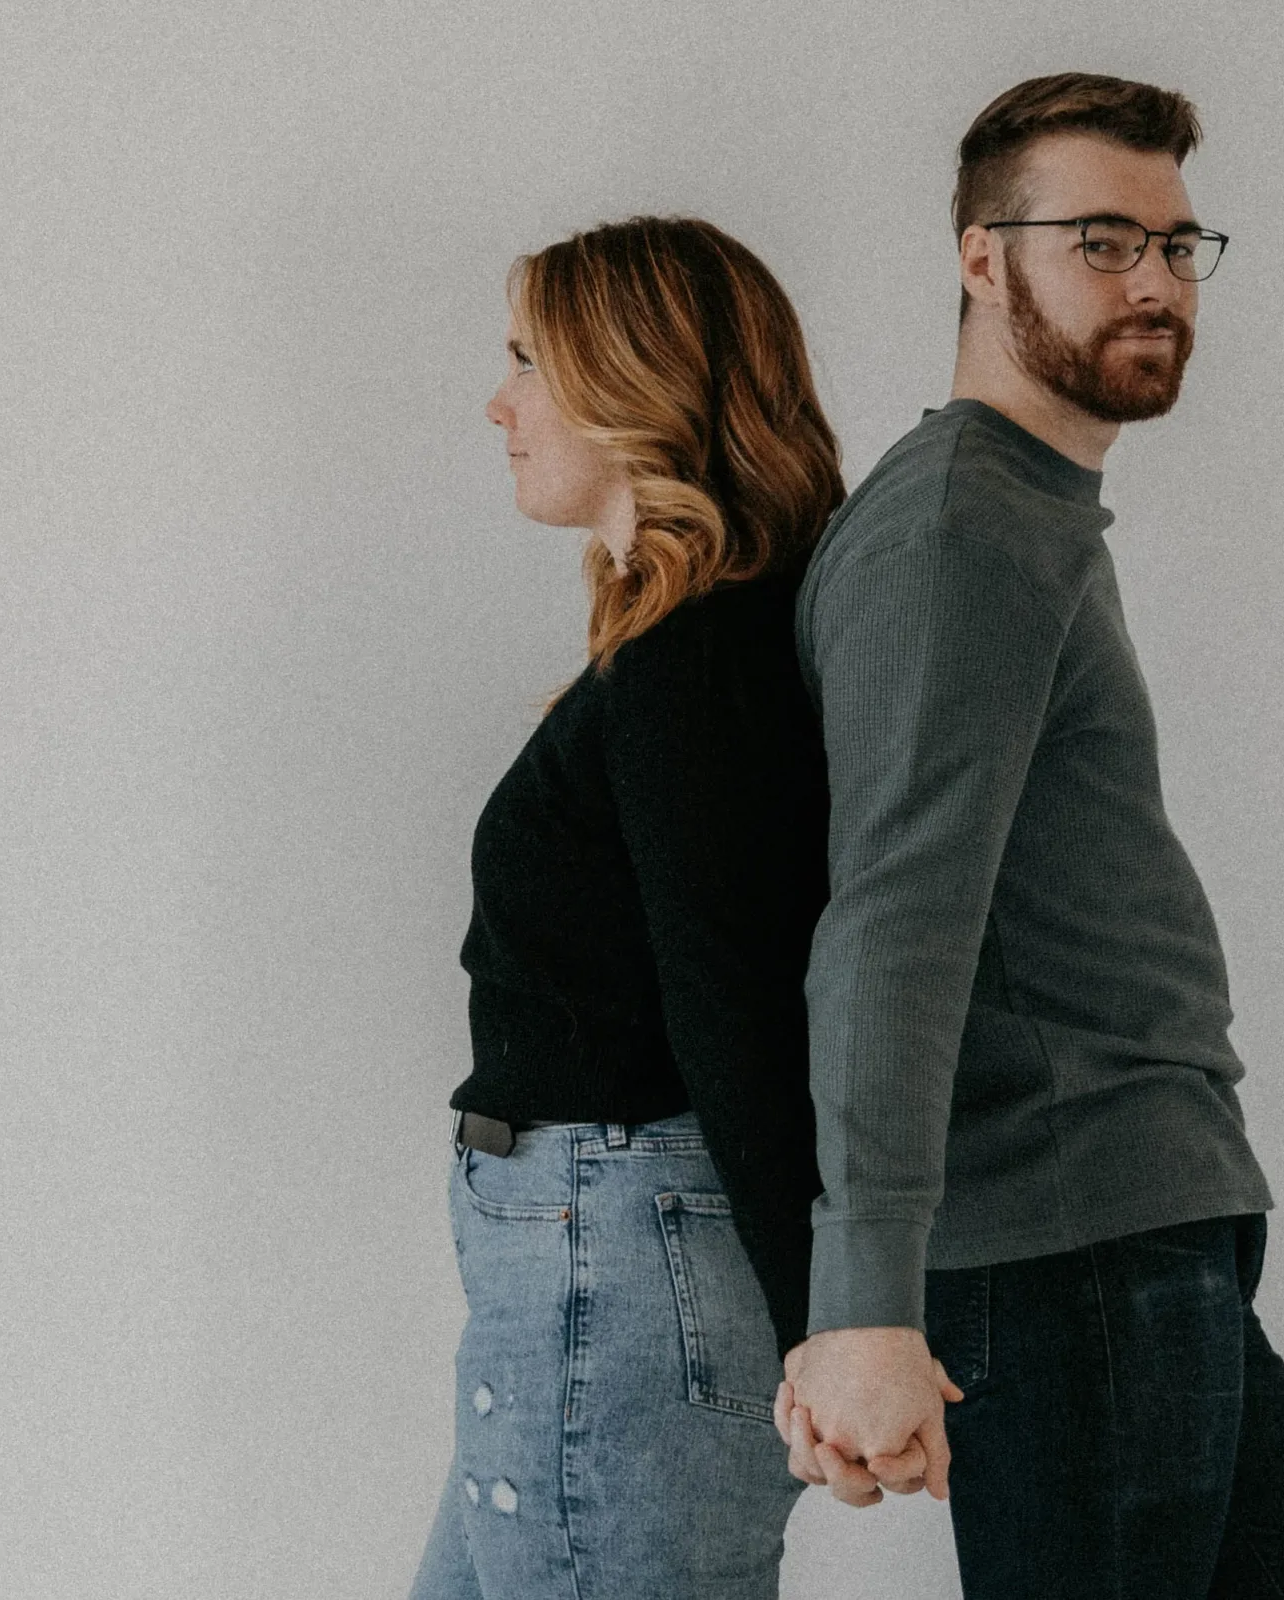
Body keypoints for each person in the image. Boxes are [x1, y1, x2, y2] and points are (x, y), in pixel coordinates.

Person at [771, 73, 1284, 1597]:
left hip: (1145, 1226)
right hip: (1074, 1253)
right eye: (1102, 241)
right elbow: (893, 919)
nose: (1156, 284)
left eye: (1179, 248)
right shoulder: (961, 526)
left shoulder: (1026, 510)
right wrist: (860, 1301)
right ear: (984, 258)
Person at [408, 215, 846, 1600]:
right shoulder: (681, 649)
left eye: (533, 359)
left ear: (632, 383)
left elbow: (738, 1005)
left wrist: (831, 1325)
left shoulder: (699, 663)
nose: (502, 402)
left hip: (618, 1245)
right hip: (589, 1247)